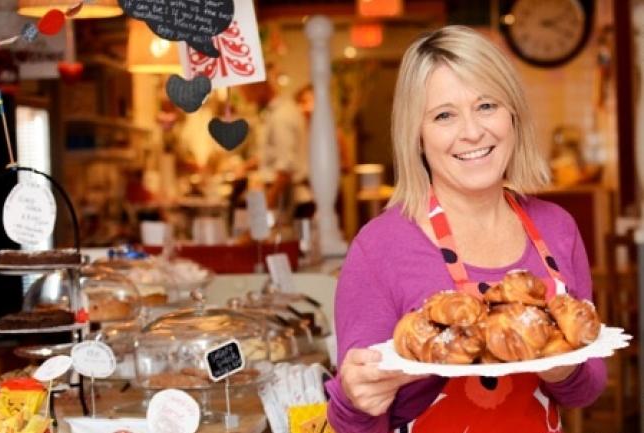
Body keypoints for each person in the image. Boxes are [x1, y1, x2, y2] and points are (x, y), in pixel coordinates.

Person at [324, 25, 606, 433]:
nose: (473, 131)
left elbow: (586, 390)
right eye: (444, 115)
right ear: (417, 136)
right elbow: (357, 418)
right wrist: (353, 403)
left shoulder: (556, 227)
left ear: (513, 113)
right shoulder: (380, 248)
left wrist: (564, 371)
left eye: (487, 105)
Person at [239, 70, 311, 217]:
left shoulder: (281, 116)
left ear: (259, 86)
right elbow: (275, 153)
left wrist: (267, 204)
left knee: (283, 239)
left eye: (245, 91)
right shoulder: (278, 112)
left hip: (287, 198)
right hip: (286, 196)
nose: (244, 97)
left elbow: (285, 168)